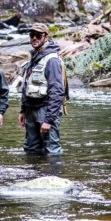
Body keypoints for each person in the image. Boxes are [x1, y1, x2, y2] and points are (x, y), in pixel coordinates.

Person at [17, 23, 67, 155]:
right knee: (31, 149)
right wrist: (23, 111)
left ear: (46, 37)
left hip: (45, 111)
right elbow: (26, 86)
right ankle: (34, 174)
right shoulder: (33, 58)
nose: (34, 38)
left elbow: (57, 92)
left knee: (52, 151)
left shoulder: (52, 60)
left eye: (38, 35)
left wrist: (49, 120)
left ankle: (53, 176)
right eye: (32, 35)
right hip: (30, 110)